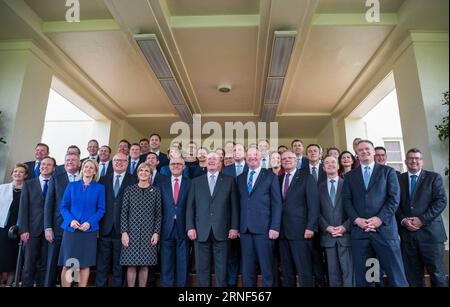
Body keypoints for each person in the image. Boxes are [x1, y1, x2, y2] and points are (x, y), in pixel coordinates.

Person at [342, 140, 408, 287]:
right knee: (368, 276)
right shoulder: (350, 176)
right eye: (360, 150)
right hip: (361, 232)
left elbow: (394, 198)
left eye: (367, 149)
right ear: (357, 154)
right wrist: (357, 220)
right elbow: (346, 201)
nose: (364, 152)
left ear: (373, 152)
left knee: (395, 273)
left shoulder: (388, 172)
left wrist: (379, 219)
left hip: (384, 231)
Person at [186, 152, 239, 287]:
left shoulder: (229, 180)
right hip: (200, 230)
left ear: (220, 162)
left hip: (223, 230)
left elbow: (234, 206)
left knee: (221, 268)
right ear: (205, 162)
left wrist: (234, 227)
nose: (211, 161)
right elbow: (190, 207)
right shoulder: (196, 181)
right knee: (202, 267)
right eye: (209, 159)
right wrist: (190, 227)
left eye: (214, 159)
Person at [397, 148, 448, 287]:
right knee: (413, 277)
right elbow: (395, 204)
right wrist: (403, 220)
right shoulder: (398, 179)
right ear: (405, 161)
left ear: (422, 161)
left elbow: (441, 201)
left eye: (417, 158)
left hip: (431, 235)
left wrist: (421, 220)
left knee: (437, 275)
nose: (414, 161)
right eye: (411, 158)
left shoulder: (433, 177)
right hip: (408, 236)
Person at [237, 147, 282, 287]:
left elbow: (277, 204)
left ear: (260, 157)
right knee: (247, 269)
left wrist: (274, 227)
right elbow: (238, 204)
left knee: (267, 268)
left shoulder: (270, 176)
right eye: (249, 155)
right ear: (246, 158)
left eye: (255, 155)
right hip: (245, 230)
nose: (252, 157)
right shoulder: (240, 178)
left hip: (265, 230)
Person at [58, 159, 106, 287]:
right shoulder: (72, 185)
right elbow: (64, 207)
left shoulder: (99, 188)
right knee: (69, 263)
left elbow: (101, 209)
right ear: (82, 169)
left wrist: (90, 223)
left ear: (95, 171)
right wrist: (71, 220)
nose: (88, 169)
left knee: (84, 264)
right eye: (86, 167)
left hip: (88, 231)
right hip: (72, 230)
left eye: (91, 168)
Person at [279, 151, 319, 287]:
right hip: (282, 232)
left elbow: (313, 205)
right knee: (286, 270)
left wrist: (310, 227)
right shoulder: (278, 179)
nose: (287, 160)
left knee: (304, 269)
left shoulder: (306, 177)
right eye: (284, 159)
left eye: (290, 158)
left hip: (301, 231)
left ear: (296, 160)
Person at [96, 153, 135, 287]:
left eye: (123, 160)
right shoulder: (102, 180)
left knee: (119, 266)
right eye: (116, 160)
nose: (119, 162)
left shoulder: (134, 180)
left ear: (127, 163)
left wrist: (128, 230)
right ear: (112, 163)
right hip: (104, 228)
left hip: (123, 231)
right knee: (102, 264)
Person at [120, 163, 162, 287]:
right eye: (141, 170)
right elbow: (124, 213)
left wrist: (156, 232)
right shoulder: (130, 189)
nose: (143, 172)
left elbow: (158, 214)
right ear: (138, 173)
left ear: (150, 174)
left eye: (146, 171)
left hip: (148, 234)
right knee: (131, 265)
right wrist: (124, 232)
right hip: (131, 234)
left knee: (144, 265)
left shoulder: (155, 191)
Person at [43, 153, 81, 287]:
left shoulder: (85, 178)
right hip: (57, 226)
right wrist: (48, 227)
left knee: (74, 261)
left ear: (79, 163)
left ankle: (73, 285)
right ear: (64, 163)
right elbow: (49, 204)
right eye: (67, 160)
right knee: (52, 261)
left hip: (77, 228)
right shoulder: (56, 178)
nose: (70, 162)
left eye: (73, 160)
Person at [18, 156, 56, 287]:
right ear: (40, 166)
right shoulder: (29, 184)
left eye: (49, 165)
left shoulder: (55, 184)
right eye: (43, 164)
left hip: (49, 231)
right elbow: (23, 208)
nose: (45, 166)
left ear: (54, 168)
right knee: (29, 264)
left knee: (44, 265)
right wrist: (23, 230)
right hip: (31, 230)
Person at [319, 156, 353, 287]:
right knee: (333, 274)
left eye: (333, 162)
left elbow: (355, 209)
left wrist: (345, 227)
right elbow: (315, 211)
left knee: (348, 272)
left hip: (346, 235)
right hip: (328, 236)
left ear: (338, 166)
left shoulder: (348, 184)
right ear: (323, 168)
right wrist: (326, 227)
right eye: (326, 163)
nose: (330, 165)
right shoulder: (318, 187)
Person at [160, 157, 191, 287]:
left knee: (183, 263)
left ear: (184, 167)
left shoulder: (191, 183)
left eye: (179, 164)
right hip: (166, 227)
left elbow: (192, 207)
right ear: (169, 166)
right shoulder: (162, 182)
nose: (176, 166)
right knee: (166, 263)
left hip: (184, 227)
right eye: (173, 164)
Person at [0, 164, 28, 286]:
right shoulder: (2, 188)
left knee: (13, 257)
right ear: (12, 174)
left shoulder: (28, 190)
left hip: (18, 228)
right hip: (2, 226)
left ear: (25, 175)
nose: (17, 173)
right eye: (15, 171)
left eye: (21, 172)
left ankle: (10, 283)